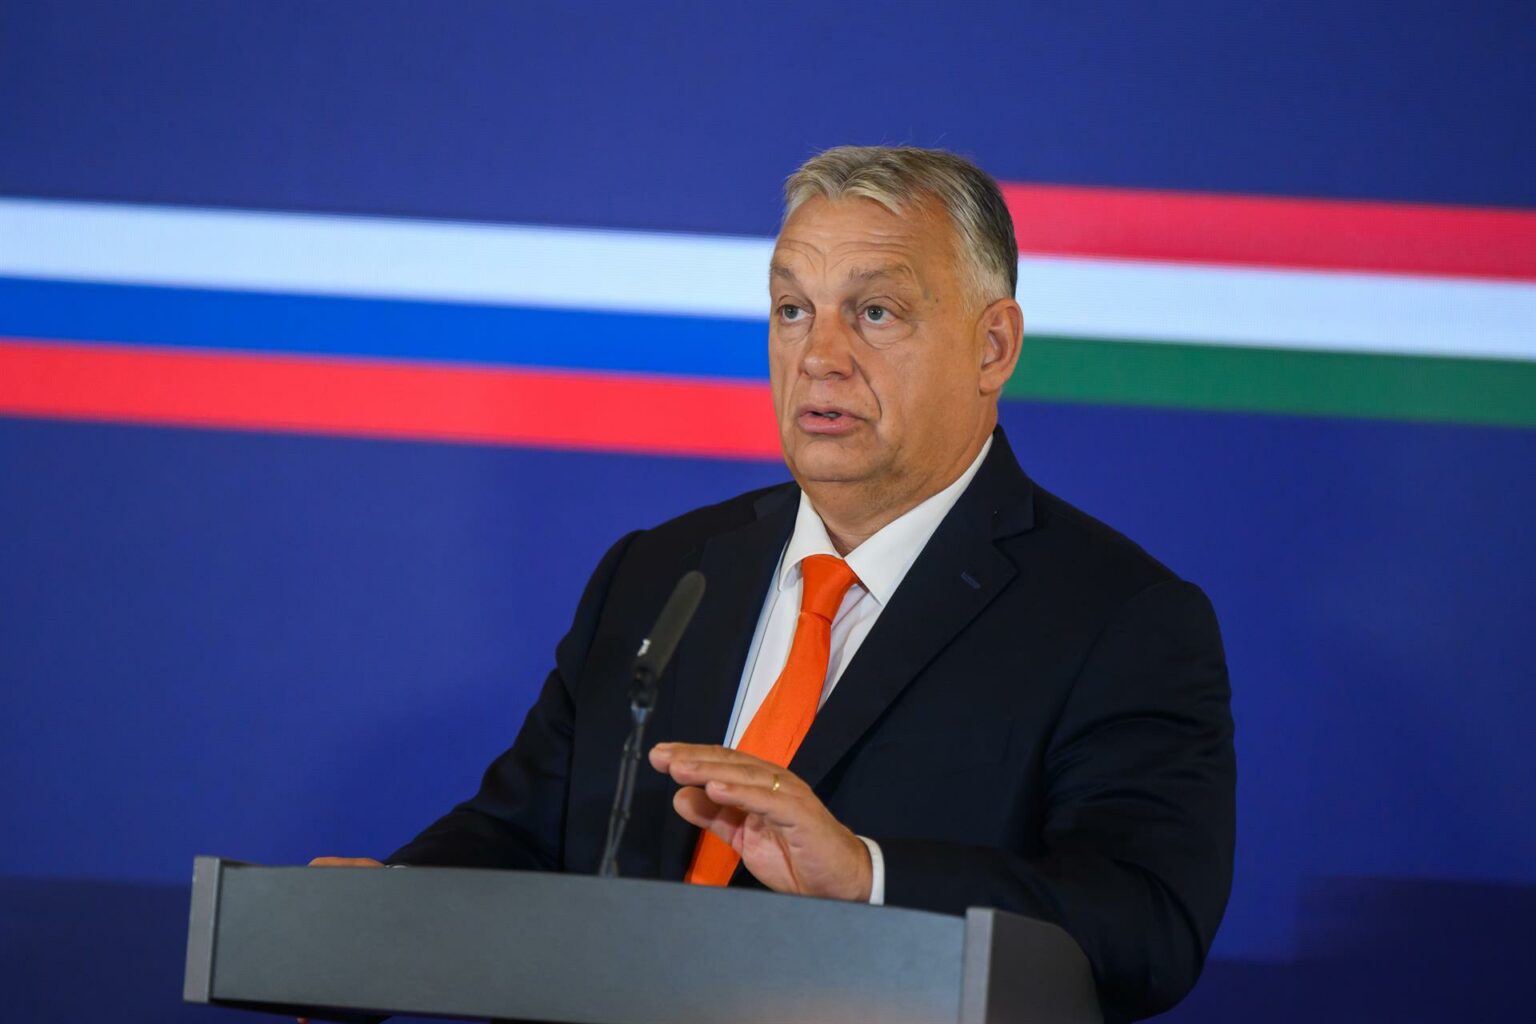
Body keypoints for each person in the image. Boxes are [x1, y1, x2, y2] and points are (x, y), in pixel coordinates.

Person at [312, 146, 1236, 1023]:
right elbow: (528, 832)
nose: (819, 355)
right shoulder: (662, 572)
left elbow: (1146, 928)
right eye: (792, 309)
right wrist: (387, 911)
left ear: (992, 347)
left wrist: (867, 877)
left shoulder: (1118, 619)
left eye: (876, 312)